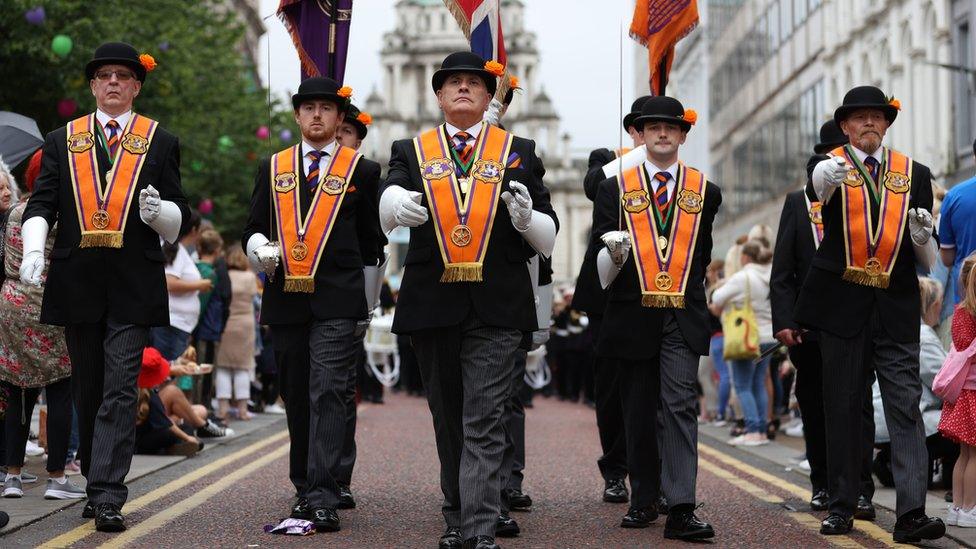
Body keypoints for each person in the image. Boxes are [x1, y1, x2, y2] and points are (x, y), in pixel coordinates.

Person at [379, 51, 557, 549]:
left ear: (487, 97)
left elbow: (549, 234)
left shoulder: (518, 149)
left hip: (498, 306)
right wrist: (398, 204)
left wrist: (525, 219)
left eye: (473, 84)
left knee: (484, 419)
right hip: (432, 304)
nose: (463, 88)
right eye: (452, 82)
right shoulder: (410, 149)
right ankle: (458, 511)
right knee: (449, 418)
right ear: (438, 96)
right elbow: (386, 206)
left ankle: (478, 529)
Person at [21, 42, 189, 532]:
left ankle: (108, 492)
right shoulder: (60, 139)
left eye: (123, 75)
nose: (113, 82)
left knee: (119, 388)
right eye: (104, 75)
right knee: (89, 392)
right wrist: (34, 249)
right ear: (93, 86)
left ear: (136, 86)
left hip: (134, 282)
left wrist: (163, 214)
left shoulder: (160, 140)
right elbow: (42, 205)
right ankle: (98, 481)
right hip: (78, 282)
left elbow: (181, 217)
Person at [797, 85, 944, 542]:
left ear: (886, 124)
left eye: (876, 117)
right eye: (859, 117)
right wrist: (827, 173)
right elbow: (817, 189)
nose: (869, 124)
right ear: (844, 126)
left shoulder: (913, 173)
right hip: (843, 310)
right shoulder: (830, 168)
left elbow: (927, 262)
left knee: (906, 410)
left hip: (897, 308)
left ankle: (911, 513)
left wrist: (923, 235)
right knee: (842, 409)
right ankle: (841, 506)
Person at [242, 76, 384, 533]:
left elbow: (370, 241)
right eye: (309, 108)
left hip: (337, 300)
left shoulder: (362, 171)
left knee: (327, 391)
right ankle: (305, 483)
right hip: (286, 297)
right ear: (298, 116)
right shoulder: (273, 167)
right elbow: (252, 226)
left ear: (340, 117)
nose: (317, 115)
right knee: (298, 394)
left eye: (326, 108)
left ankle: (322, 494)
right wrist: (259, 245)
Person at [592, 96, 719, 540]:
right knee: (639, 410)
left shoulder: (706, 190)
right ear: (639, 135)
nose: (662, 133)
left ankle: (681, 505)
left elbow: (700, 258)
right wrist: (614, 255)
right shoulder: (614, 190)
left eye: (670, 127)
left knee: (681, 407)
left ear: (683, 135)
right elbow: (600, 264)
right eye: (652, 127)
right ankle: (644, 499)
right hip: (632, 314)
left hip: (681, 314)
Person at [771, 119, 877, 517]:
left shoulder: (872, 198)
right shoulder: (797, 204)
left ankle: (860, 489)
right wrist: (784, 320)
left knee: (858, 406)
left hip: (856, 322)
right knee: (814, 407)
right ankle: (822, 484)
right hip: (809, 328)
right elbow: (782, 271)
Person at [570, 95, 650, 505]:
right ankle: (615, 470)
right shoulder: (608, 159)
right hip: (610, 291)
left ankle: (653, 475)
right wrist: (639, 156)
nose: (652, 135)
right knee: (613, 387)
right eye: (644, 127)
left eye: (660, 128)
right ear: (633, 131)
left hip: (658, 290)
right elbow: (592, 185)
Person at [0, 149, 85, 501]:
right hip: (50, 305)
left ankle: (13, 476)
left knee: (17, 389)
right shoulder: (62, 215)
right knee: (61, 389)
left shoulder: (16, 211)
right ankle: (57, 477)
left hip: (11, 304)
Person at [710, 240, 775, 446]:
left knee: (742, 385)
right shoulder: (770, 275)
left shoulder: (742, 277)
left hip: (748, 337)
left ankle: (753, 430)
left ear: (745, 257)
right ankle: (762, 430)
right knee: (758, 385)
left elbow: (718, 298)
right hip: (769, 338)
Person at [941, 255, 976, 527]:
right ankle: (970, 509)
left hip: (960, 394)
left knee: (964, 455)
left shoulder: (959, 313)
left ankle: (956, 508)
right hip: (974, 394)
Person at [214, 245, 258, 421]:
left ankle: (223, 409)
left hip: (227, 323)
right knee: (243, 367)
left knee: (223, 366)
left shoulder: (224, 275)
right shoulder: (249, 277)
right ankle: (242, 409)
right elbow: (254, 296)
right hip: (245, 326)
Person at [938, 138, 976, 314]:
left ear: (974, 157)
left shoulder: (953, 197)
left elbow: (946, 258)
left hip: (967, 298)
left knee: (966, 343)